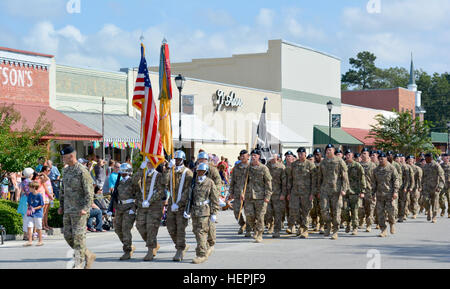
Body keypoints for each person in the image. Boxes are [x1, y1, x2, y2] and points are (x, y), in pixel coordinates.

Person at [58, 146, 96, 269]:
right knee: (68, 236)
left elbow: (89, 192)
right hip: (68, 209)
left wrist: (86, 208)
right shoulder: (66, 171)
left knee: (78, 238)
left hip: (80, 211)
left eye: (64, 157)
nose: (63, 159)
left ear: (71, 156)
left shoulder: (82, 171)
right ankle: (88, 254)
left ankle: (78, 264)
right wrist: (61, 205)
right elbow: (63, 190)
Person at [133, 159, 169, 261]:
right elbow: (134, 181)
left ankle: (150, 250)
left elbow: (161, 191)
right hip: (142, 205)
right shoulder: (143, 174)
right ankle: (154, 244)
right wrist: (140, 169)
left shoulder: (158, 176)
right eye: (148, 162)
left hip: (154, 206)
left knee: (151, 228)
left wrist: (150, 200)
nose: (150, 164)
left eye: (152, 162)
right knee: (140, 225)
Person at [188, 163, 220, 264]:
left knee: (201, 232)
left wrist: (214, 213)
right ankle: (205, 248)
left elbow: (215, 199)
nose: (200, 173)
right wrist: (187, 211)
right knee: (195, 231)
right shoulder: (194, 182)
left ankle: (201, 254)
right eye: (198, 171)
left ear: (206, 172)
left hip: (205, 210)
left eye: (202, 171)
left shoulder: (209, 182)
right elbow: (189, 197)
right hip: (195, 210)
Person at [317, 144, 349, 240]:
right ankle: (328, 224)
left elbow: (345, 177)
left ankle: (335, 230)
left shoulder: (339, 161)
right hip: (325, 190)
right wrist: (318, 190)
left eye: (330, 150)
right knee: (324, 210)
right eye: (327, 150)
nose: (328, 151)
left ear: (334, 150)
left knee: (336, 211)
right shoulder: (323, 162)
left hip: (336, 190)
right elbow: (319, 177)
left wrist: (344, 189)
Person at [166, 150, 193, 262]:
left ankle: (180, 250)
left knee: (180, 228)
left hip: (182, 206)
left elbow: (188, 190)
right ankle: (181, 245)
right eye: (175, 159)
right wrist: (168, 169)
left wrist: (180, 203)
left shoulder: (187, 173)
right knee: (171, 227)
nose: (177, 161)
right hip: (172, 204)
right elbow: (164, 182)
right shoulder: (171, 171)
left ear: (183, 160)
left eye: (179, 159)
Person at [241, 149, 272, 243]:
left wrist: (267, 197)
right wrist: (241, 193)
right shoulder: (248, 168)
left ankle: (259, 234)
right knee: (249, 215)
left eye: (255, 155)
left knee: (260, 216)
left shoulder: (264, 168)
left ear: (259, 156)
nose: (253, 157)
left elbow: (268, 183)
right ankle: (255, 229)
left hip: (260, 197)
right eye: (252, 155)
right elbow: (243, 182)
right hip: (249, 196)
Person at [285, 147, 315, 238]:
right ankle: (300, 226)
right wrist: (289, 192)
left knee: (305, 212)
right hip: (295, 191)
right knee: (294, 210)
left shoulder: (310, 165)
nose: (300, 155)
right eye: (298, 154)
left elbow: (314, 180)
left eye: (302, 153)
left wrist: (312, 193)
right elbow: (290, 179)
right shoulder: (294, 165)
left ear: (305, 154)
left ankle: (304, 230)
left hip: (306, 192)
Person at [196, 151, 222, 254]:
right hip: (200, 199)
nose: (202, 161)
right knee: (199, 225)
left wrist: (214, 193)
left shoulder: (212, 170)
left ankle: (211, 243)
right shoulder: (197, 170)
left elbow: (218, 182)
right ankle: (202, 244)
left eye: (204, 160)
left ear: (207, 160)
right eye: (200, 160)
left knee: (210, 222)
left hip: (211, 198)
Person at [372, 152, 399, 237]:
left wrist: (395, 192)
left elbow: (396, 180)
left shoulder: (391, 168)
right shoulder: (376, 170)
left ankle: (392, 224)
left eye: (382, 159)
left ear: (386, 159)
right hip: (379, 195)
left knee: (391, 212)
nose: (380, 160)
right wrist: (373, 194)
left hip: (389, 194)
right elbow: (374, 183)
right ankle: (383, 230)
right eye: (379, 159)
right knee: (380, 213)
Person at [343, 149, 366, 235]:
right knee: (344, 210)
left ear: (352, 155)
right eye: (346, 154)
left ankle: (355, 227)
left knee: (355, 210)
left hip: (354, 191)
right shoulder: (343, 164)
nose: (348, 156)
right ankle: (348, 223)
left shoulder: (357, 165)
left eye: (349, 154)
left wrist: (362, 191)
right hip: (344, 192)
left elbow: (362, 178)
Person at [229, 150, 251, 236]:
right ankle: (242, 224)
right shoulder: (236, 167)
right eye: (241, 156)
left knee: (249, 212)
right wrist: (231, 192)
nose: (242, 157)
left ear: (248, 156)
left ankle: (248, 229)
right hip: (238, 193)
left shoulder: (251, 167)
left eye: (244, 156)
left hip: (248, 193)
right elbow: (232, 180)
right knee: (236, 211)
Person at [266, 151, 287, 238]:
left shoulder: (281, 167)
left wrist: (283, 193)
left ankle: (277, 230)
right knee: (268, 212)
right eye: (271, 157)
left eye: (274, 157)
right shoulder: (266, 167)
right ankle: (270, 225)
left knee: (278, 213)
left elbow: (284, 182)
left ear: (276, 158)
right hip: (268, 193)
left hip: (278, 194)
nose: (272, 159)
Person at [422, 153, 445, 223]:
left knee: (435, 202)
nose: (424, 159)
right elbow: (423, 177)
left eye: (426, 158)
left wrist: (440, 187)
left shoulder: (436, 165)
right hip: (426, 187)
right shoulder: (425, 166)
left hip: (435, 187)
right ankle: (428, 211)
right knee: (425, 200)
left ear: (430, 158)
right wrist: (421, 186)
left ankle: (434, 216)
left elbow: (442, 177)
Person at [359, 147, 377, 232]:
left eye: (365, 153)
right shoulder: (358, 165)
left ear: (368, 155)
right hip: (359, 190)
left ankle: (369, 224)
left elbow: (376, 179)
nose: (363, 155)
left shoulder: (373, 166)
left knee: (370, 208)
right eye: (362, 153)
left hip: (370, 190)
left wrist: (376, 192)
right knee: (360, 208)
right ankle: (361, 220)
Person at [23, 181, 44, 247]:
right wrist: (29, 208)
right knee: (29, 226)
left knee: (38, 227)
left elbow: (42, 205)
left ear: (34, 187)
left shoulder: (39, 195)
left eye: (30, 187)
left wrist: (34, 208)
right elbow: (29, 203)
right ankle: (30, 241)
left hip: (38, 213)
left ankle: (40, 241)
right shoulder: (30, 195)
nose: (29, 188)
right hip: (31, 213)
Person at [310, 148, 324, 233]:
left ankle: (322, 225)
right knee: (313, 208)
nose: (316, 156)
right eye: (315, 154)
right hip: (313, 189)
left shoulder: (324, 164)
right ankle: (315, 222)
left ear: (321, 155)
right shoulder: (312, 165)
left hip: (323, 190)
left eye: (318, 154)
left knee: (322, 208)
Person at [41, 166, 55, 231]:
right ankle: (43, 225)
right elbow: (45, 187)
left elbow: (50, 186)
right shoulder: (43, 177)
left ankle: (46, 224)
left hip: (49, 195)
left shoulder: (47, 177)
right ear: (44, 171)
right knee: (44, 211)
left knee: (46, 211)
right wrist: (49, 195)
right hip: (46, 195)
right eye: (48, 170)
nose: (49, 171)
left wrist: (52, 193)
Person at [439, 154, 450, 218]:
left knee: (449, 199)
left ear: (448, 158)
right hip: (442, 184)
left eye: (445, 158)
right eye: (443, 158)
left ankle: (449, 212)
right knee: (440, 198)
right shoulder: (440, 165)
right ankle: (443, 208)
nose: (444, 159)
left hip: (449, 185)